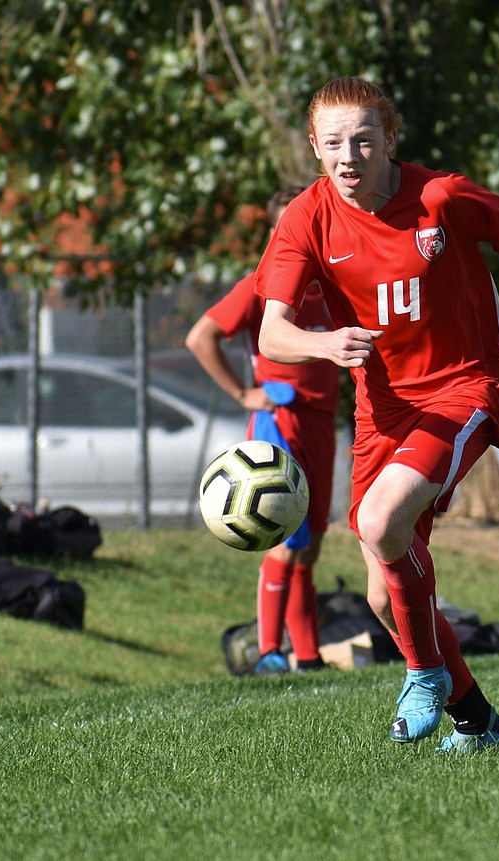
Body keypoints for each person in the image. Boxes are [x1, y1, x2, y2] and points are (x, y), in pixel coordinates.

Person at [252, 76, 499, 753]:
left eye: (364, 140)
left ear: (391, 140)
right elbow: (270, 332)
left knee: (379, 522)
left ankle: (425, 673)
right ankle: (478, 722)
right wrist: (324, 343)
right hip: (383, 411)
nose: (349, 157)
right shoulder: (306, 217)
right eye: (334, 143)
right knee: (383, 594)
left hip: (462, 389)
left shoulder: (442, 197)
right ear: (314, 146)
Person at [186, 186, 339, 674]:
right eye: (284, 227)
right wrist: (243, 393)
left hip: (322, 424)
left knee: (311, 545)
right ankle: (269, 653)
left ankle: (309, 656)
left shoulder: (337, 285)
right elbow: (201, 336)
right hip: (280, 422)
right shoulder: (260, 285)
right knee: (283, 537)